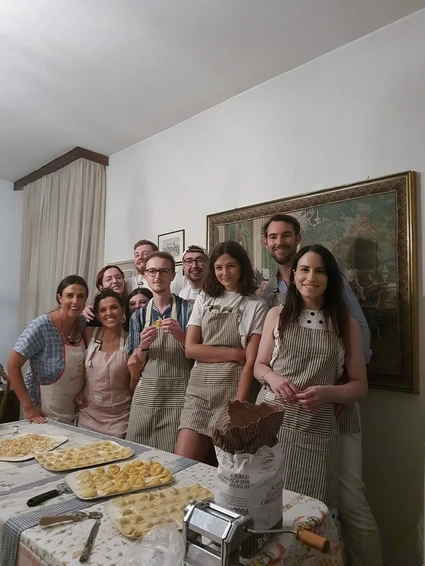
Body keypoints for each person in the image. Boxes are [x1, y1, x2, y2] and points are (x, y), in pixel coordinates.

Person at [262, 214, 382, 566]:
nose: (278, 241)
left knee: (346, 500)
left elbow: (360, 349)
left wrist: (337, 390)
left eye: (285, 235)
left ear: (296, 238)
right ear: (267, 244)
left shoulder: (338, 307)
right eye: (272, 236)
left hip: (334, 412)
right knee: (278, 496)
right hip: (286, 416)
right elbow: (263, 363)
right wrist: (273, 379)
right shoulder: (274, 296)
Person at [254, 244, 367, 510]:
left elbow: (360, 386)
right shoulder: (275, 315)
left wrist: (328, 393)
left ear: (330, 279)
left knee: (313, 503)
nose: (311, 278)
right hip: (273, 418)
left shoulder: (346, 324)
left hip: (318, 423)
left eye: (320, 271)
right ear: (293, 275)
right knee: (266, 497)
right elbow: (259, 365)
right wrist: (273, 378)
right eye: (304, 270)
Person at [175, 241, 268, 463]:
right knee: (183, 464)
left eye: (231, 266)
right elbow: (191, 349)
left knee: (227, 472)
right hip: (198, 391)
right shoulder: (204, 299)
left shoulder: (257, 305)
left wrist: (238, 407)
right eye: (218, 267)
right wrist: (234, 354)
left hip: (232, 391)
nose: (224, 273)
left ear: (242, 267)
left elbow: (251, 362)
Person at [126, 251, 193, 452]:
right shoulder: (138, 316)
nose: (158, 276)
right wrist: (143, 347)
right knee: (137, 452)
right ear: (145, 276)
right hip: (146, 392)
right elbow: (132, 363)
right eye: (152, 271)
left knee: (172, 454)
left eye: (164, 271)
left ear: (173, 275)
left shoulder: (189, 310)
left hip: (179, 392)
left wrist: (181, 336)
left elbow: (198, 356)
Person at [7, 275, 88, 425]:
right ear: (60, 298)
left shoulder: (82, 323)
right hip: (41, 411)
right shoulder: (41, 326)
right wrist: (28, 406)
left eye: (81, 296)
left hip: (71, 409)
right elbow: (12, 365)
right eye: (69, 295)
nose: (75, 301)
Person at [76, 290, 132, 438]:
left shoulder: (131, 340)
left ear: (122, 309)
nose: (109, 313)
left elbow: (135, 381)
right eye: (102, 310)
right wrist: (79, 390)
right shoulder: (88, 334)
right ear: (97, 314)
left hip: (119, 418)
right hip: (88, 414)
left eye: (114, 307)